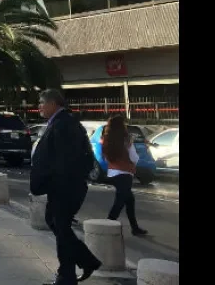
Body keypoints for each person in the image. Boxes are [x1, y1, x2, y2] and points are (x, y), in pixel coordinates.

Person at [30, 89, 101, 285]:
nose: (39, 107)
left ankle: (74, 270)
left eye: (42, 103)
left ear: (54, 103)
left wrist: (53, 182)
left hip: (65, 188)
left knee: (60, 225)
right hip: (62, 187)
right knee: (56, 223)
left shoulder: (64, 124)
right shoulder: (60, 122)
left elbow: (65, 161)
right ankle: (72, 270)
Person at [102, 115, 147, 236]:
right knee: (120, 202)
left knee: (129, 200)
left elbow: (105, 159)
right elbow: (133, 157)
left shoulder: (106, 139)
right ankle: (106, 227)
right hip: (125, 173)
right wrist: (133, 163)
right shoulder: (126, 139)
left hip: (113, 173)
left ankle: (135, 228)